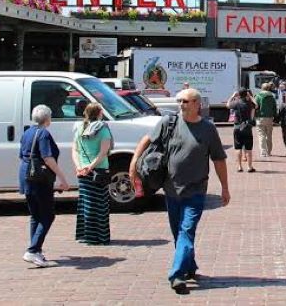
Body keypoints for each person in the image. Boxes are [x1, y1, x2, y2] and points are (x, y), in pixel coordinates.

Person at [128, 88, 229, 295]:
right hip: (171, 189)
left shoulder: (208, 129)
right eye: (179, 101)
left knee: (186, 230)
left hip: (196, 190)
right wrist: (133, 163)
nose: (181, 104)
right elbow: (146, 140)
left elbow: (218, 159)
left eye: (185, 101)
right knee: (179, 233)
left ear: (197, 104)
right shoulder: (169, 122)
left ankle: (176, 275)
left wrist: (225, 187)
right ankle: (190, 267)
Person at [18, 104, 70, 267]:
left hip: (26, 174)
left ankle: (36, 250)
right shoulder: (44, 134)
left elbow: (21, 155)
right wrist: (62, 178)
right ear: (47, 118)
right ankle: (32, 250)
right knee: (48, 215)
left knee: (35, 215)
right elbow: (48, 158)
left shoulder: (27, 132)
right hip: (40, 178)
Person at [72, 102, 114, 245]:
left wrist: (80, 167)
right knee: (100, 204)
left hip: (83, 172)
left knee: (86, 204)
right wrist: (91, 167)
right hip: (99, 170)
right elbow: (103, 153)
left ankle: (85, 235)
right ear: (100, 113)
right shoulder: (103, 129)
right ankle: (99, 237)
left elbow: (75, 150)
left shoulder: (79, 128)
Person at [227, 89, 256, 173]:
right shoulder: (249, 103)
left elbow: (228, 105)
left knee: (238, 147)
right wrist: (250, 96)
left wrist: (232, 96)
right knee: (249, 148)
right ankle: (249, 167)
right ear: (246, 94)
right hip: (247, 127)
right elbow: (256, 105)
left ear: (239, 94)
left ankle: (239, 166)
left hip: (237, 127)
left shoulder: (236, 103)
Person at [254, 83, 278, 157]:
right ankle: (269, 151)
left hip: (260, 117)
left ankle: (263, 152)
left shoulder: (258, 96)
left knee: (261, 135)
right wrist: (275, 116)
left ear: (262, 88)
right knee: (269, 135)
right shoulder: (272, 96)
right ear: (268, 88)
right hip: (270, 118)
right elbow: (275, 108)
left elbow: (255, 106)